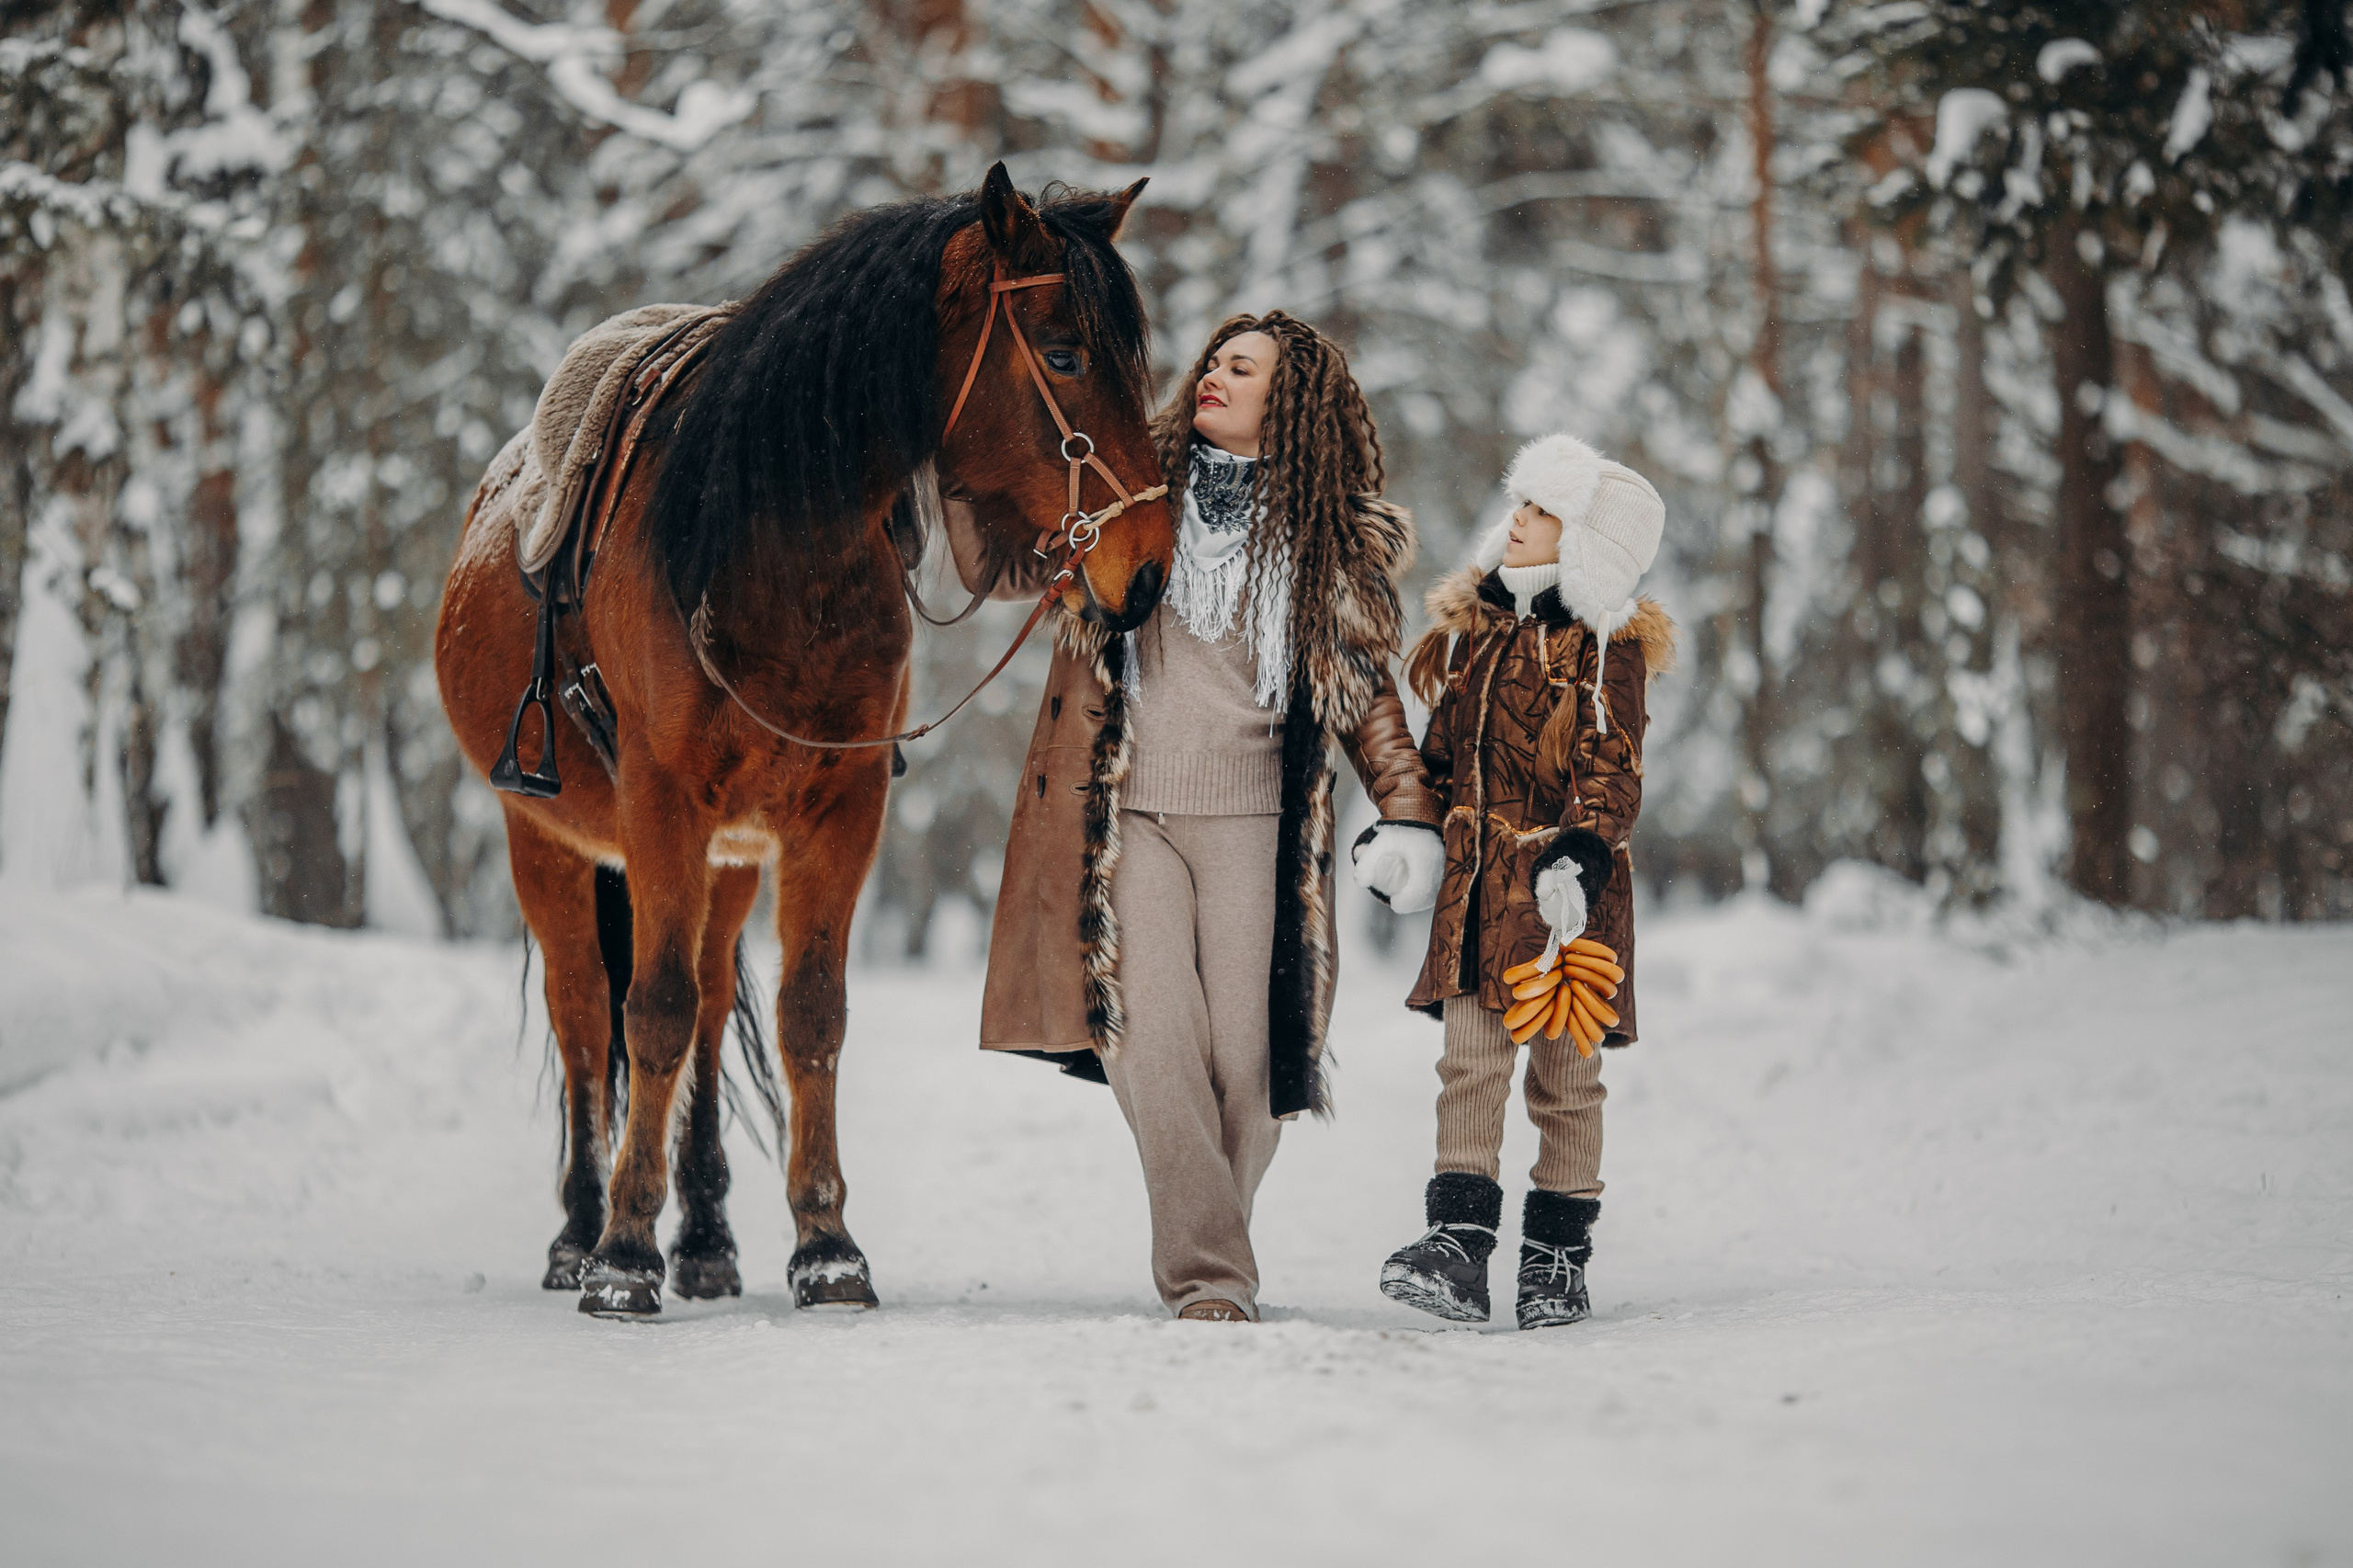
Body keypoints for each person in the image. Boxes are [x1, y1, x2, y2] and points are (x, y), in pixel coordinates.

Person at [977, 312, 1443, 1323]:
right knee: (1152, 1038)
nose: (1215, 377)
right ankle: (1208, 1276)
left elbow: (1366, 694)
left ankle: (1210, 1236)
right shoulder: (1124, 490)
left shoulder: (1327, 542)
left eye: (1245, 369)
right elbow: (999, 563)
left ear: (1293, 405)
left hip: (1259, 826)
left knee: (1249, 1062)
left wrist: (1407, 810)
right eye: (1216, 362)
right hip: (1128, 811)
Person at [1365, 433, 1675, 1330]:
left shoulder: (1604, 646)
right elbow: (1433, 759)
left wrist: (1579, 852)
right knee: (1468, 1065)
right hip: (1472, 898)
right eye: (1522, 503)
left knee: (1564, 1082)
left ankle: (1556, 1258)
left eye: (1543, 511)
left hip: (1562, 903)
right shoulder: (1473, 635)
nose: (1519, 520)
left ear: (1582, 542)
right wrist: (1403, 829)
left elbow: (1612, 767)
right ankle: (1458, 1246)